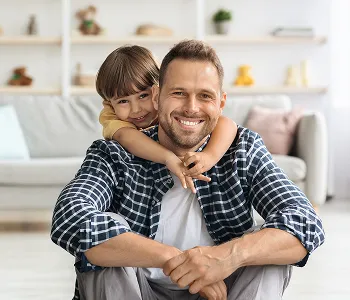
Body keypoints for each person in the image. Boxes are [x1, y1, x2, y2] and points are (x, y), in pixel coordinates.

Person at [51, 40, 325, 300]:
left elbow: (305, 220)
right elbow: (69, 217)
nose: (191, 108)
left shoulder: (242, 148)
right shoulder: (113, 153)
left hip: (223, 291)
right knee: (108, 241)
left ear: (220, 103)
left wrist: (227, 257)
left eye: (204, 96)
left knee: (265, 249)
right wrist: (178, 260)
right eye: (179, 93)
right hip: (137, 290)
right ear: (158, 97)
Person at [96, 45, 238, 192]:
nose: (136, 109)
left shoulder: (169, 106)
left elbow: (227, 124)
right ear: (109, 103)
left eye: (143, 96)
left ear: (157, 92)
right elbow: (127, 137)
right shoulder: (111, 115)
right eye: (123, 101)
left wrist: (210, 156)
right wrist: (168, 158)